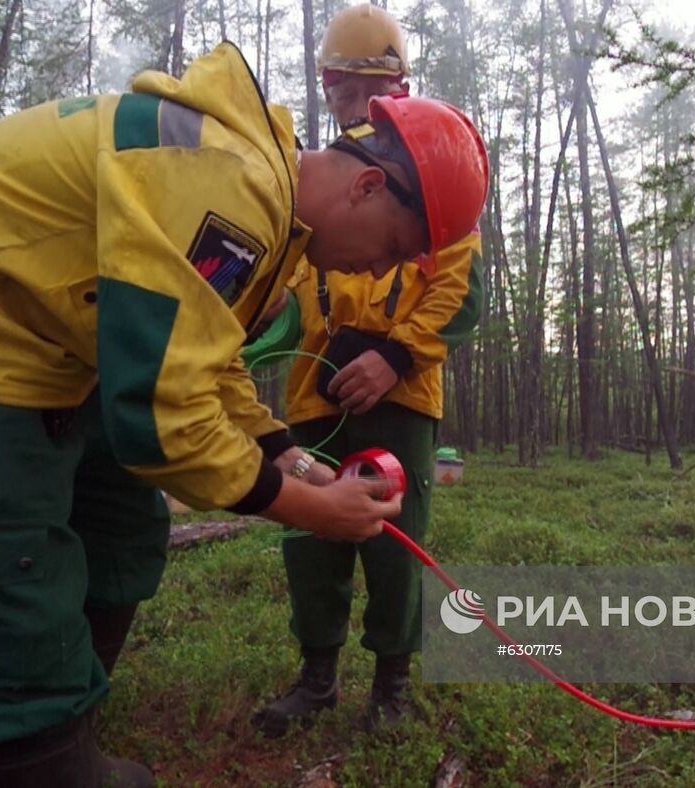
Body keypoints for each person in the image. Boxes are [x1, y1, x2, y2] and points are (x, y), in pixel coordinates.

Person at [0, 41, 488, 787]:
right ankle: (34, 746)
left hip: (58, 339)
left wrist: (289, 456)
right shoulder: (236, 196)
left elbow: (204, 364)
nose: (377, 271)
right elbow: (161, 420)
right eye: (393, 249)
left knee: (119, 520)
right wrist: (307, 507)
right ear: (368, 187)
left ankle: (65, 704)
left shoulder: (268, 205)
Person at [250, 4, 487, 738]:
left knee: (393, 541)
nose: (348, 96)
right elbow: (287, 281)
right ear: (324, 83)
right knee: (310, 539)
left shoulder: (431, 170)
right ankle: (316, 677)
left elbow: (464, 290)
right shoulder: (311, 176)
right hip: (313, 392)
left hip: (402, 392)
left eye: (367, 82)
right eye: (340, 82)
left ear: (398, 81)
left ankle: (392, 684)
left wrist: (397, 353)